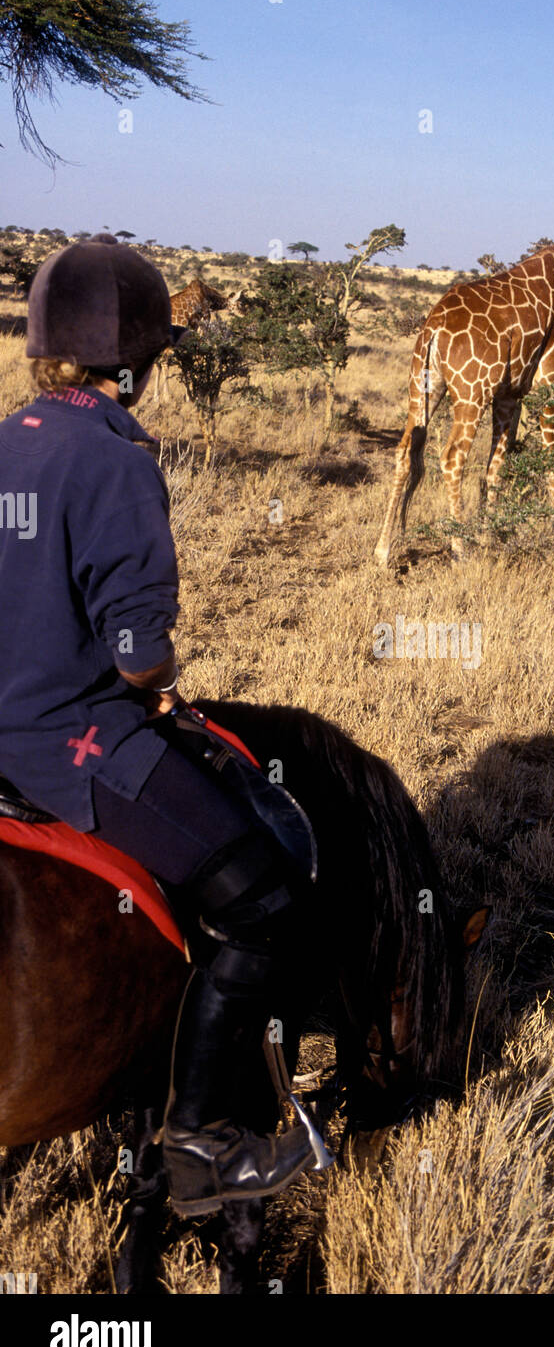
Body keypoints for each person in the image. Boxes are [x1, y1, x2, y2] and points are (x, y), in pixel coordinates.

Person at [0, 234, 318, 1217]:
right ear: (134, 363)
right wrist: (156, 679)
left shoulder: (7, 435)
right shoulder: (115, 459)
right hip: (71, 746)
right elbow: (138, 652)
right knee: (265, 901)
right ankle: (199, 1142)